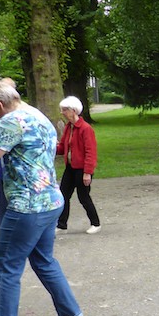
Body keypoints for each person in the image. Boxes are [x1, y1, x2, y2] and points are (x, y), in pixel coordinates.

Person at [0, 79, 86, 316]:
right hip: (50, 201)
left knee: (5, 268)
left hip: (26, 207)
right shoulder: (36, 114)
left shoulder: (10, 121)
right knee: (44, 261)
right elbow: (25, 151)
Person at [57, 96, 101, 234]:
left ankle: (95, 223)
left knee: (83, 197)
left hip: (82, 169)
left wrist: (87, 172)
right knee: (63, 195)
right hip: (70, 167)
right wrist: (50, 147)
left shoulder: (85, 129)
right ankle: (61, 224)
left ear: (73, 111)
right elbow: (63, 147)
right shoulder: (69, 127)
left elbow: (91, 151)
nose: (62, 112)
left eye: (65, 110)